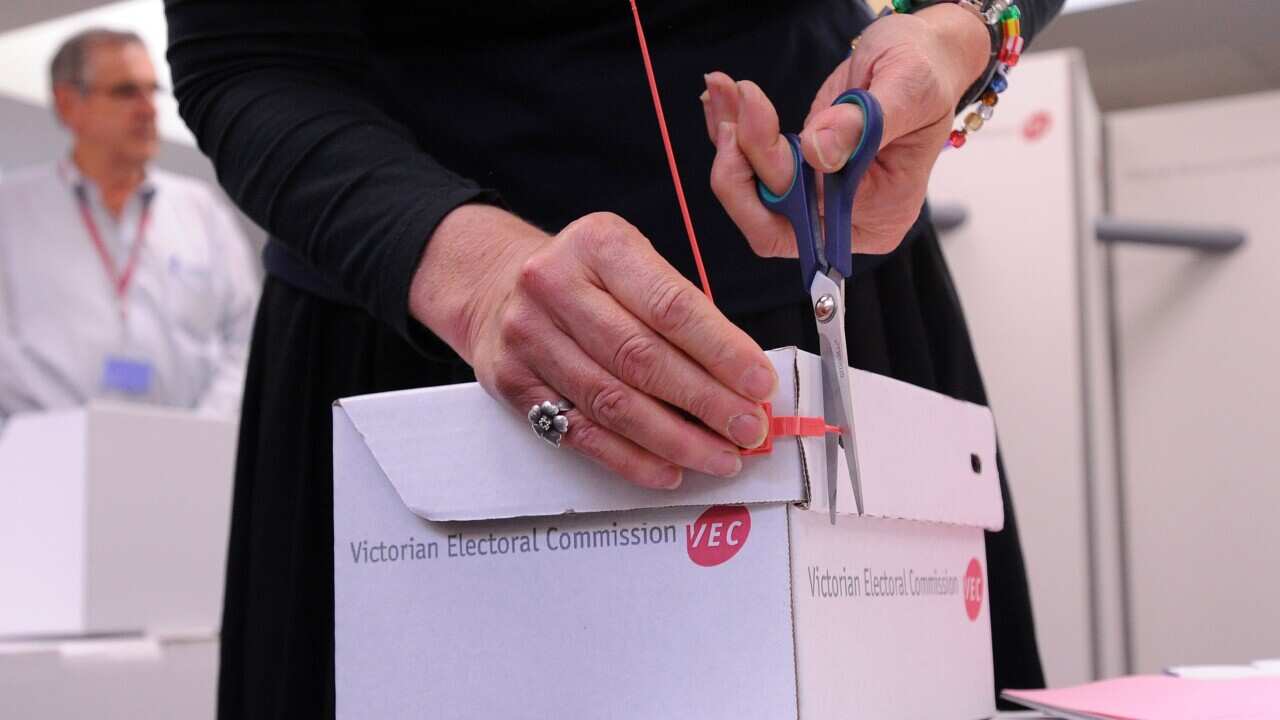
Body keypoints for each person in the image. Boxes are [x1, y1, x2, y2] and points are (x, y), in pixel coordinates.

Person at [165, 0, 1064, 716]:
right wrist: (474, 279)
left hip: (826, 258)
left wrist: (960, 31)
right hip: (426, 320)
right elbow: (245, 58)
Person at [0, 28, 258, 424]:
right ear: (69, 105)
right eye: (125, 92)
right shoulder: (10, 211)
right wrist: (77, 429)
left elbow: (247, 337)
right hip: (45, 461)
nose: (149, 109)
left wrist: (206, 427)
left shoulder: (202, 212)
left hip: (191, 461)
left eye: (152, 91)